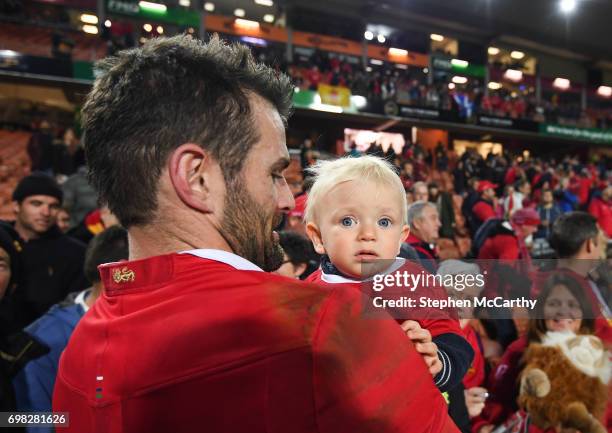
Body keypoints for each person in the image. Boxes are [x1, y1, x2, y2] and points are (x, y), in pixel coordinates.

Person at [54, 35, 460, 433]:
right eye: (274, 173)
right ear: (196, 178)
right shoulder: (324, 326)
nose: (287, 201)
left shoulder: (79, 349)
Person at [303, 155, 474, 392]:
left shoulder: (415, 281)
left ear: (401, 237)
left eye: (384, 222)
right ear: (318, 238)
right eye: (348, 220)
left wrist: (436, 359)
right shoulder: (306, 293)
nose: (368, 233)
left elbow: (453, 339)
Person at [13, 226, 128, 431]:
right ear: (120, 272)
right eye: (148, 267)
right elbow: (17, 418)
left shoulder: (147, 324)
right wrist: (79, 420)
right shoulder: (43, 340)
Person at [472, 274, 598, 433]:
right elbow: (492, 402)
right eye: (554, 304)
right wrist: (483, 427)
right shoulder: (518, 351)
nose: (563, 312)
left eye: (573, 305)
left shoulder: (600, 356)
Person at [1, 174, 88, 327]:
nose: (46, 212)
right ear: (16, 206)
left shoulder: (75, 254)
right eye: (36, 203)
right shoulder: (3, 241)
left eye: (53, 206)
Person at [548, 212, 612, 345]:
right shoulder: (572, 291)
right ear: (590, 244)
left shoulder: (553, 281)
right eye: (601, 239)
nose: (605, 242)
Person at [405, 201, 441, 273]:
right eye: (433, 218)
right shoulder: (409, 253)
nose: (439, 224)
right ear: (417, 223)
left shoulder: (423, 247)